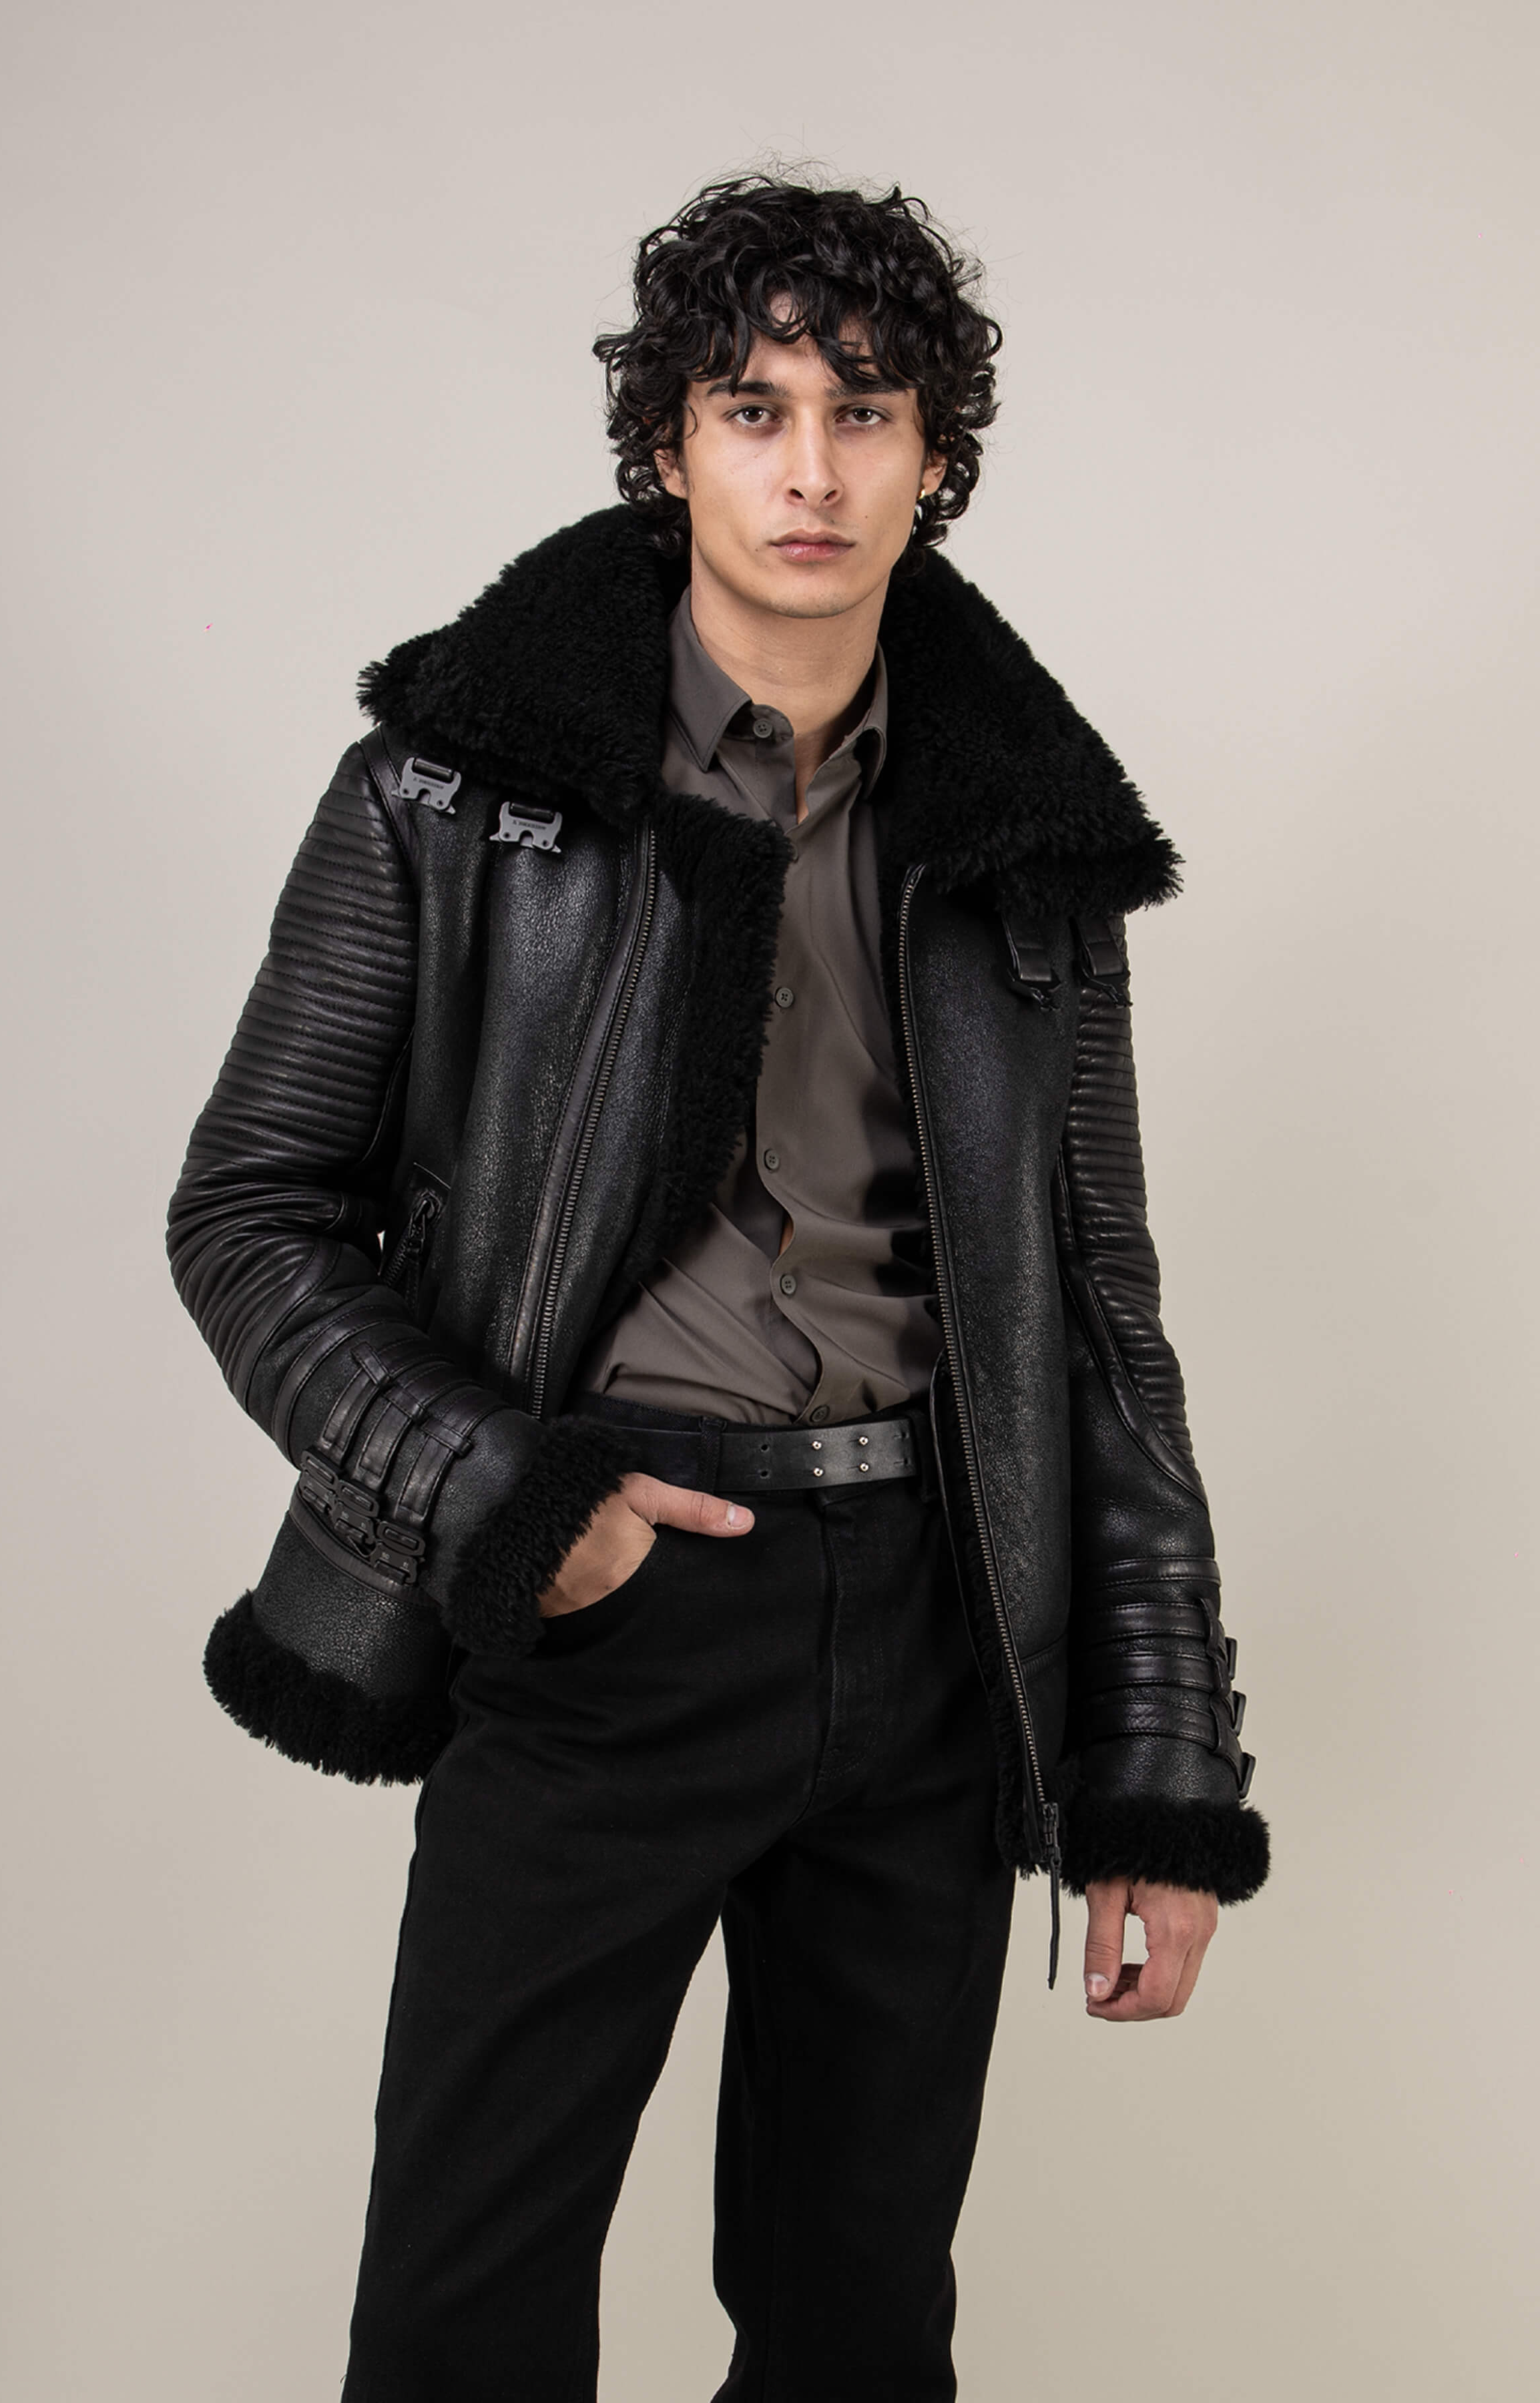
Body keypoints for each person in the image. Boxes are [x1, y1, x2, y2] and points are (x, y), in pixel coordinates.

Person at [168, 171, 1270, 2402]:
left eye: (865, 414)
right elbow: (251, 1212)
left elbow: (1099, 1311)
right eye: (754, 410)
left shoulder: (1021, 845)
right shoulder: (455, 798)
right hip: (608, 1605)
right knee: (465, 2324)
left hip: (933, 1635)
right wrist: (511, 1500)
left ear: (935, 460)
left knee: (860, 2333)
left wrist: (1159, 1769)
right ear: (667, 445)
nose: (809, 470)